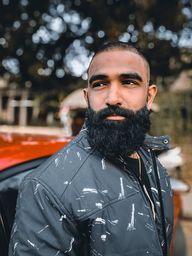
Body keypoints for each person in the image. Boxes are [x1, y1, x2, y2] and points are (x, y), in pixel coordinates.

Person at [9, 42, 173, 256]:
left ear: (149, 97)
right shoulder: (47, 189)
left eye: (129, 82)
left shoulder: (152, 160)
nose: (113, 97)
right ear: (87, 98)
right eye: (100, 84)